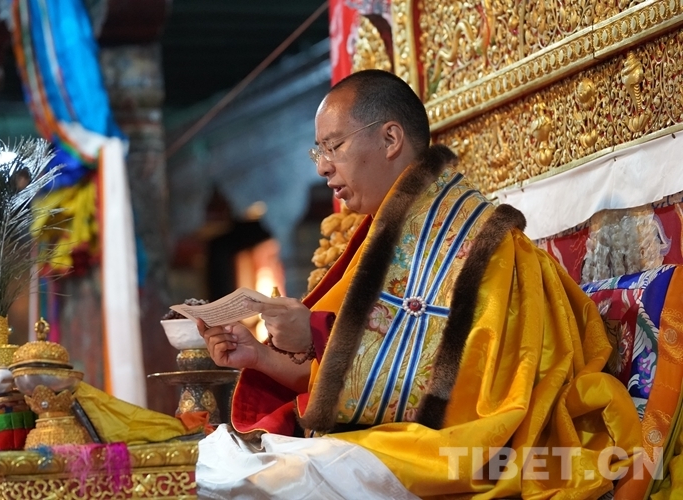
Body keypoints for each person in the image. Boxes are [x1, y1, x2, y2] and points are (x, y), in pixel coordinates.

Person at [197, 69, 642, 499]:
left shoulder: (475, 243)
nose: (323, 168)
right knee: (220, 464)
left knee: (259, 477)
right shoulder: (387, 238)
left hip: (461, 449)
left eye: (334, 146)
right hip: (391, 438)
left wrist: (314, 334)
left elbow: (454, 390)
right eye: (319, 152)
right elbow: (349, 384)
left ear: (390, 139)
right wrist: (260, 357)